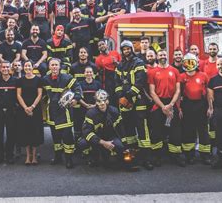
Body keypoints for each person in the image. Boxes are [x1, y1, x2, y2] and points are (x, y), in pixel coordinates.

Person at [115, 40, 153, 170]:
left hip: (138, 102)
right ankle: (131, 157)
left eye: (128, 48)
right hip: (125, 104)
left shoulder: (139, 63)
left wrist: (128, 97)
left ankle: (147, 159)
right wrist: (121, 97)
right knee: (129, 130)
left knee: (143, 130)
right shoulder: (120, 66)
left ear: (132, 49)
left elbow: (140, 82)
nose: (126, 51)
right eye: (124, 49)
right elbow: (117, 83)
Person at [42, 58, 82, 169]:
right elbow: (42, 93)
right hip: (52, 112)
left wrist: (76, 99)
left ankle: (69, 159)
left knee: (67, 136)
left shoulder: (67, 78)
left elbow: (78, 88)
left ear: (60, 66)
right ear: (49, 67)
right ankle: (58, 156)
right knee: (56, 137)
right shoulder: (45, 79)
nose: (54, 67)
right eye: (52, 65)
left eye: (56, 65)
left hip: (65, 112)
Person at [148, 50, 185, 167]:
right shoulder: (152, 72)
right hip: (159, 104)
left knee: (175, 131)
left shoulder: (174, 71)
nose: (163, 56)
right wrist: (163, 106)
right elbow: (152, 92)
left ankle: (175, 155)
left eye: (164, 54)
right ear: (157, 57)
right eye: (160, 55)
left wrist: (171, 105)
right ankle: (157, 156)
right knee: (157, 130)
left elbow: (178, 90)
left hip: (172, 103)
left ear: (167, 56)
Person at [78, 90, 131, 169]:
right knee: (82, 143)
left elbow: (121, 129)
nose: (102, 103)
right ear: (96, 102)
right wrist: (103, 143)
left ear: (108, 101)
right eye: (99, 101)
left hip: (110, 137)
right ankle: (93, 157)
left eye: (104, 100)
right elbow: (86, 132)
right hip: (97, 138)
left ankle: (113, 155)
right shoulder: (90, 113)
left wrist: (125, 147)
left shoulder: (114, 111)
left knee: (120, 146)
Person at [179, 54, 211, 165]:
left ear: (196, 63)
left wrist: (210, 107)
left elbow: (209, 93)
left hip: (201, 105)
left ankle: (205, 155)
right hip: (187, 106)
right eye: (187, 62)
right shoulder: (181, 76)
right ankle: (189, 155)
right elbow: (178, 94)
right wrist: (179, 109)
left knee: (203, 131)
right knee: (188, 130)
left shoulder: (203, 75)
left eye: (191, 62)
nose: (189, 65)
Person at [0, 61, 18, 164]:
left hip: (11, 110)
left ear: (10, 68)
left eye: (7, 67)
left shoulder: (15, 81)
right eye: (3, 67)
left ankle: (9, 156)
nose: (5, 69)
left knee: (11, 134)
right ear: (0, 69)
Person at [16, 61, 44, 165]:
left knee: (35, 131)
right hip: (23, 108)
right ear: (23, 67)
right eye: (26, 66)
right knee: (26, 131)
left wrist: (32, 107)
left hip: (35, 108)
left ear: (33, 67)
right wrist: (25, 108)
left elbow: (40, 94)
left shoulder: (38, 80)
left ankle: (35, 156)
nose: (27, 67)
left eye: (29, 66)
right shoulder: (20, 80)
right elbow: (18, 95)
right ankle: (28, 156)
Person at [75, 66, 102, 139]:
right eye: (87, 72)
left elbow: (101, 96)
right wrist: (86, 105)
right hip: (83, 108)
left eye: (90, 72)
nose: (89, 73)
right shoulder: (79, 84)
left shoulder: (98, 84)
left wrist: (95, 105)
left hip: (95, 108)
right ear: (84, 73)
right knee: (82, 125)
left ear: (93, 73)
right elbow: (78, 97)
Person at [95, 39, 121, 105]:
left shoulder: (115, 53)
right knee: (110, 99)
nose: (101, 46)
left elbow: (122, 66)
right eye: (99, 45)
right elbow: (98, 72)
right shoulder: (98, 59)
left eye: (102, 44)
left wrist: (116, 63)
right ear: (98, 48)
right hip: (108, 83)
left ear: (106, 45)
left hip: (118, 79)